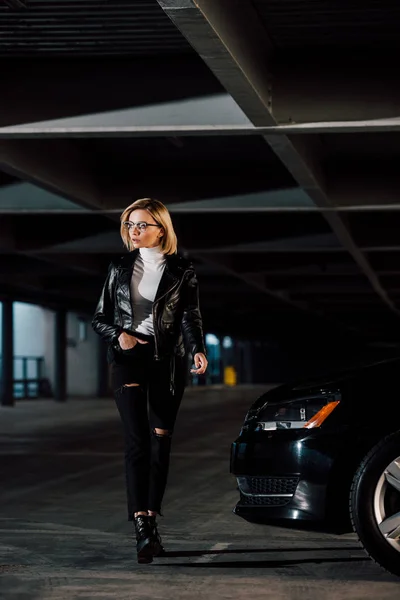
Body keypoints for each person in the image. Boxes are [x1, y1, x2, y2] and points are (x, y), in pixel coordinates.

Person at [92, 198, 208, 564]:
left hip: (166, 363)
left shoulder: (182, 270)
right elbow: (98, 317)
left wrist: (197, 350)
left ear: (161, 227)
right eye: (129, 225)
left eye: (141, 224)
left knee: (160, 445)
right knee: (137, 442)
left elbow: (190, 315)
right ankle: (141, 525)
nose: (134, 231)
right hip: (127, 360)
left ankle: (152, 521)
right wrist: (119, 335)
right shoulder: (119, 267)